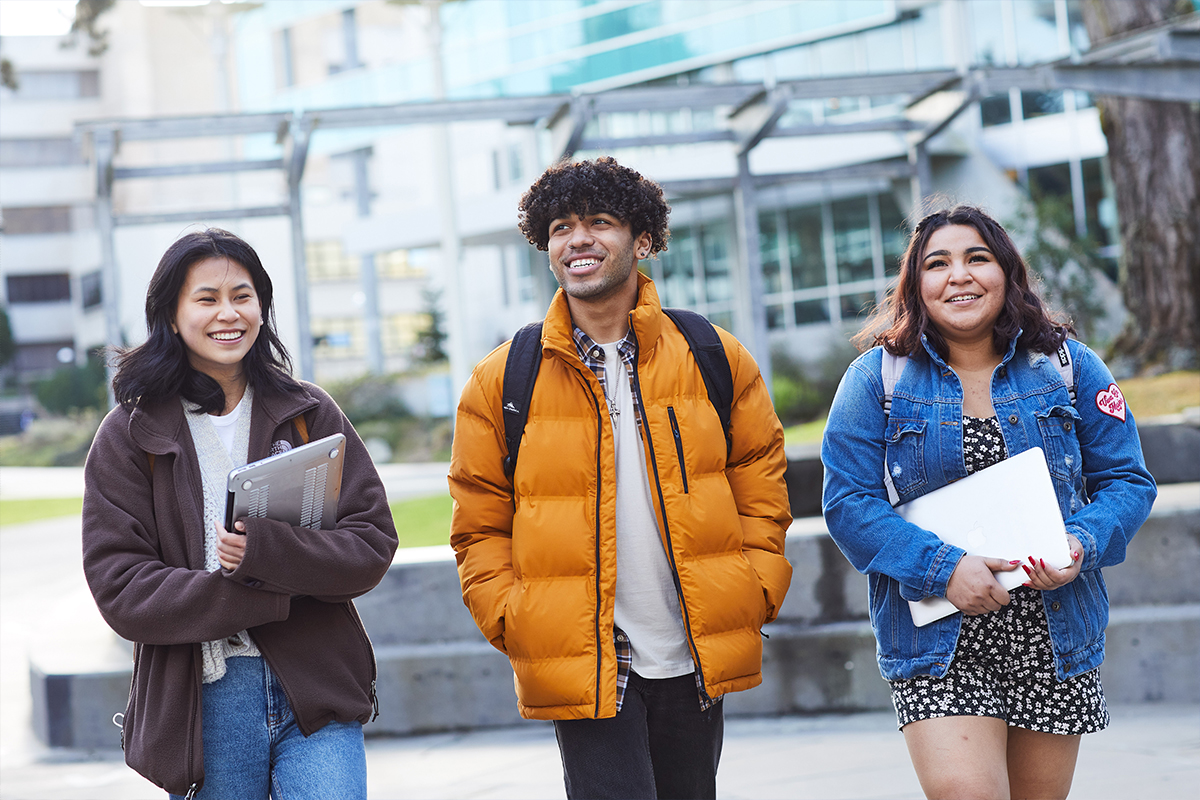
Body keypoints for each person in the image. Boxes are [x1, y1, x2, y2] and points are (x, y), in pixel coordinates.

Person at [449, 157, 793, 800]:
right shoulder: (503, 378)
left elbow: (762, 486)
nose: (577, 239)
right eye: (560, 227)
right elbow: (477, 523)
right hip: (585, 658)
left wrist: (753, 585)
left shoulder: (713, 355)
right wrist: (514, 616)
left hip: (693, 649)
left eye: (599, 222)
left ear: (643, 240)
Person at [821, 205, 1157, 800]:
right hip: (940, 641)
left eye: (978, 258)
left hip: (1051, 631)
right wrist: (943, 569)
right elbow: (849, 503)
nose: (960, 276)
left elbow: (1127, 481)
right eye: (938, 263)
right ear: (917, 284)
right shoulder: (877, 379)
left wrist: (1079, 542)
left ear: (1006, 272)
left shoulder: (1069, 366)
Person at [82, 228, 398, 800]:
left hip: (316, 683)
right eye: (206, 299)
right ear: (171, 315)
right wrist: (263, 593)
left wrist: (266, 553)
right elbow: (121, 588)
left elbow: (371, 544)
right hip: (206, 699)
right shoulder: (129, 432)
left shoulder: (309, 411)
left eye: (243, 296)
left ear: (262, 307)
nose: (228, 313)